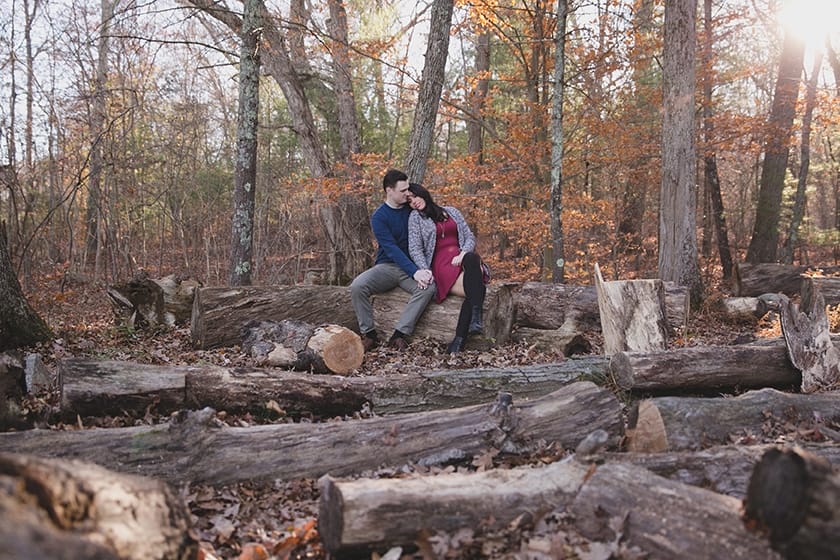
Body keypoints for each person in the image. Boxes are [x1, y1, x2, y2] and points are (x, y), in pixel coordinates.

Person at [350, 169, 435, 352]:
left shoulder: (411, 209)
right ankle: (369, 334)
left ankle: (399, 335)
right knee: (358, 286)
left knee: (429, 289)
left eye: (408, 189)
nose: (408, 193)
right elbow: (391, 249)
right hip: (387, 267)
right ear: (389, 190)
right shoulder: (380, 216)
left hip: (412, 268)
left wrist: (421, 270)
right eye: (403, 190)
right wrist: (415, 272)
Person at [407, 182, 486, 354]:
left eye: (414, 196)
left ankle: (459, 340)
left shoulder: (452, 211)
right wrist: (424, 270)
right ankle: (472, 324)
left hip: (463, 260)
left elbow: (469, 236)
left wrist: (463, 253)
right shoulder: (416, 218)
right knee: (476, 289)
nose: (413, 202)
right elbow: (415, 248)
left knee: (472, 260)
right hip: (442, 265)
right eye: (409, 201)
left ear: (423, 193)